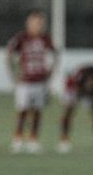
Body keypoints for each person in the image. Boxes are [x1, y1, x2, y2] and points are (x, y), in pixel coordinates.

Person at [7, 11, 58, 154]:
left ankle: (33, 140)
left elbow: (54, 55)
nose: (38, 26)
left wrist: (51, 71)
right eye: (35, 22)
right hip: (25, 81)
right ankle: (17, 139)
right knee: (22, 110)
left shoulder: (46, 39)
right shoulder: (21, 38)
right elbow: (9, 54)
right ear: (28, 23)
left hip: (40, 81)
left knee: (37, 111)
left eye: (40, 23)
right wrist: (14, 74)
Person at [57, 65, 93, 155]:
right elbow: (75, 91)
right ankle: (64, 140)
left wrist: (92, 98)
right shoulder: (78, 79)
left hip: (89, 93)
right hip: (73, 88)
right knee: (68, 113)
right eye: (90, 82)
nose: (91, 84)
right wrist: (74, 100)